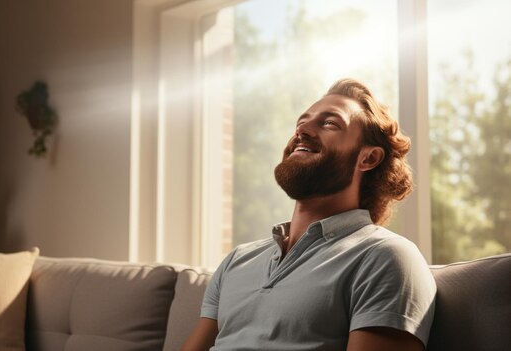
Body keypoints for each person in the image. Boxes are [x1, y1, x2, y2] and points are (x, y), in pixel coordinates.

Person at [182, 79, 437, 351]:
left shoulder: (385, 257)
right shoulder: (238, 260)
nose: (303, 130)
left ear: (368, 158)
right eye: (300, 122)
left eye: (330, 123)